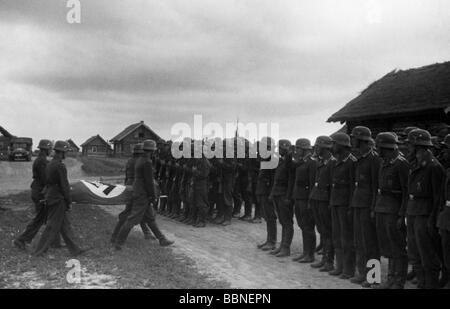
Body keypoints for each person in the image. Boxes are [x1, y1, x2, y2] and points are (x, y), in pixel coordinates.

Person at [114, 139, 173, 250]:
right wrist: (153, 195)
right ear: (152, 151)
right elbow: (149, 182)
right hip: (143, 194)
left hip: (139, 191)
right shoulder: (147, 162)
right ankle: (119, 243)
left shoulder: (141, 160)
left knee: (150, 218)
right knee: (132, 219)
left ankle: (162, 239)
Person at [406, 129, 444, 289]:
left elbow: (438, 198)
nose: (408, 147)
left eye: (410, 144)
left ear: (417, 146)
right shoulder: (415, 163)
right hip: (414, 211)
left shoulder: (433, 166)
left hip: (425, 214)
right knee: (414, 252)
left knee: (427, 254)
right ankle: (422, 283)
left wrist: (432, 219)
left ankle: (431, 285)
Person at [33, 141, 85, 257]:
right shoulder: (60, 166)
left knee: (65, 225)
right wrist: (68, 200)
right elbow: (64, 185)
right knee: (52, 226)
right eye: (65, 152)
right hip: (58, 199)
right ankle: (39, 251)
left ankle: (75, 249)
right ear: (62, 152)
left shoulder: (50, 164)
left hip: (51, 196)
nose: (66, 154)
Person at [373, 132, 409, 289]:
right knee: (387, 246)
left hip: (394, 210)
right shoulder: (384, 162)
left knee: (397, 247)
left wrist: (402, 214)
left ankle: (398, 281)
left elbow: (406, 192)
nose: (377, 150)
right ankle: (391, 278)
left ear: (384, 147)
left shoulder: (401, 164)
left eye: (378, 147)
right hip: (382, 208)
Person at [14, 139, 63, 250]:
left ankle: (54, 242)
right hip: (40, 192)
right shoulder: (42, 162)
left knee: (46, 217)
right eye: (50, 149)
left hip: (39, 191)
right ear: (46, 149)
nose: (51, 151)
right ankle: (21, 240)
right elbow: (45, 179)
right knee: (40, 219)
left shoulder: (41, 160)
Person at [349, 126, 381, 287]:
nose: (352, 140)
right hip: (358, 204)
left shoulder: (374, 159)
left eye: (354, 138)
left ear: (361, 140)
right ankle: (362, 273)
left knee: (370, 243)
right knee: (359, 241)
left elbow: (376, 187)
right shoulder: (360, 159)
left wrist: (373, 208)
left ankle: (373, 277)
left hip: (368, 206)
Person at [111, 144, 154, 244]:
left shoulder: (130, 161)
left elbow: (127, 175)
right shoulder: (140, 161)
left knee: (137, 211)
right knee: (132, 212)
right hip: (138, 188)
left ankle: (147, 233)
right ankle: (116, 237)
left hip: (130, 185)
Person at [329, 133, 356, 279]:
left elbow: (353, 186)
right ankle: (339, 267)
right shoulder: (336, 161)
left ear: (342, 145)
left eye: (334, 144)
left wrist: (351, 206)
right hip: (336, 203)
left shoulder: (352, 162)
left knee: (347, 238)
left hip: (346, 205)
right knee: (337, 236)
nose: (332, 147)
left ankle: (349, 269)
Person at [309, 136, 336, 272]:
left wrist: (330, 202)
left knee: (328, 231)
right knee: (322, 231)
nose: (316, 149)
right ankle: (324, 259)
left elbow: (333, 185)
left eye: (318, 147)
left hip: (325, 200)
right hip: (317, 199)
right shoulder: (320, 162)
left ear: (325, 148)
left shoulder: (332, 163)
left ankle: (329, 261)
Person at [291, 138, 317, 263]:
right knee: (302, 226)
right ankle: (305, 252)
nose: (296, 150)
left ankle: (310, 254)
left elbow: (312, 183)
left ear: (304, 149)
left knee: (308, 227)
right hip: (299, 197)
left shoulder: (312, 163)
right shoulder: (301, 162)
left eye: (298, 148)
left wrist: (309, 202)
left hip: (306, 198)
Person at [268, 139, 294, 258]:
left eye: (281, 148)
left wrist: (288, 197)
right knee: (283, 222)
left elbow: (290, 181)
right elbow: (276, 180)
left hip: (284, 195)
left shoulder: (289, 161)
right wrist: (273, 193)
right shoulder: (281, 161)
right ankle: (282, 246)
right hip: (278, 194)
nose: (279, 150)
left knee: (287, 222)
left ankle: (286, 247)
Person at [256, 137, 276, 251]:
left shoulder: (272, 160)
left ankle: (272, 241)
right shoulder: (265, 159)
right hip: (263, 190)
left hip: (268, 192)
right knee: (267, 217)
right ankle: (269, 240)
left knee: (271, 217)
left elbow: (273, 180)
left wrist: (271, 194)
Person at [437, 133, 450, 289]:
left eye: (447, 149)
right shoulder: (447, 170)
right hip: (446, 217)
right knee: (446, 252)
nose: (444, 152)